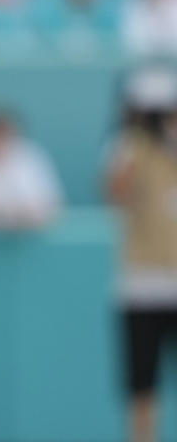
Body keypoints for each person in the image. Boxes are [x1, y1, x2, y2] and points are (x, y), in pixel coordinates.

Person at [105, 67, 177, 442]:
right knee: (142, 384)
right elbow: (114, 195)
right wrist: (136, 143)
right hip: (141, 284)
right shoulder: (126, 149)